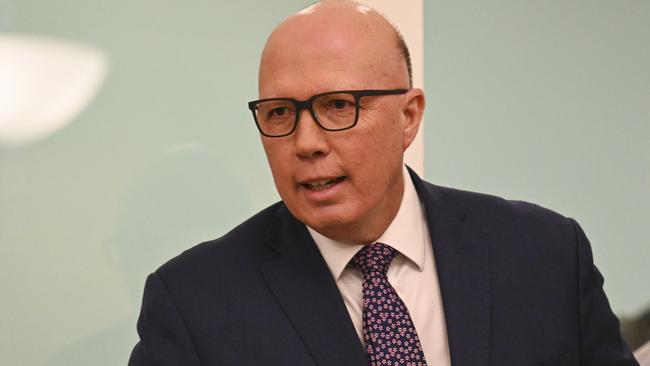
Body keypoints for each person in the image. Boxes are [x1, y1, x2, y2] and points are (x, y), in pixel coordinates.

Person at [129, 1, 639, 365]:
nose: (306, 142)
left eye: (337, 106)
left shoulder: (543, 253)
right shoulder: (194, 304)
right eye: (281, 112)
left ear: (409, 117)